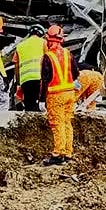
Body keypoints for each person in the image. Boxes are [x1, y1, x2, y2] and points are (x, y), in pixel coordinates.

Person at [39, 25, 77, 166]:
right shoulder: (68, 53)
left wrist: (42, 99)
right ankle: (67, 152)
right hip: (69, 93)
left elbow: (45, 79)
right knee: (67, 123)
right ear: (61, 39)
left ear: (48, 39)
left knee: (57, 124)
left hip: (55, 94)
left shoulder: (48, 56)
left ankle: (58, 154)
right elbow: (76, 73)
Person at [11, 24, 46, 112]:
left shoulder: (20, 46)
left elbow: (16, 66)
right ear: (41, 34)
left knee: (29, 106)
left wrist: (18, 83)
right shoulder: (44, 43)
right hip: (40, 78)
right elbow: (49, 60)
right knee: (43, 104)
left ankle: (29, 124)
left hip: (25, 80)